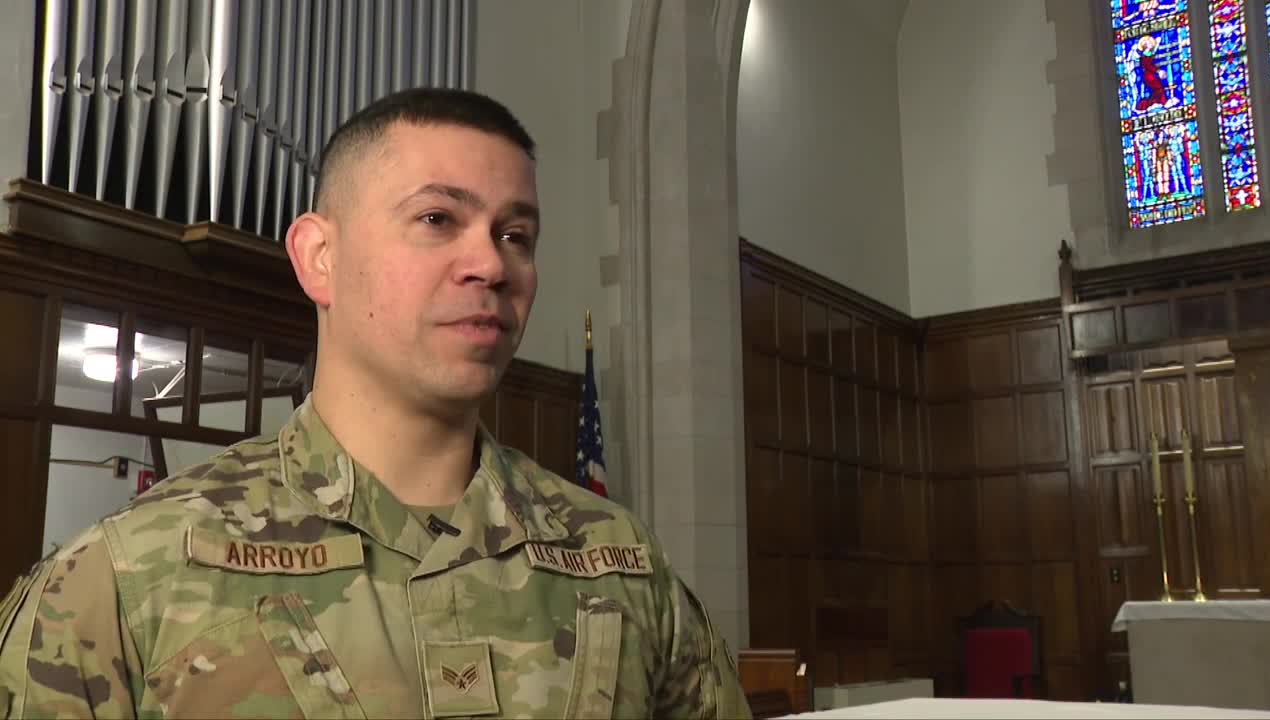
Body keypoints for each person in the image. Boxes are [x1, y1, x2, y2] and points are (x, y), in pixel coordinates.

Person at [0, 88, 750, 718]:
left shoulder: (621, 563)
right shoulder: (124, 575)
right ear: (319, 257)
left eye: (516, 234)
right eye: (437, 219)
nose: (491, 263)